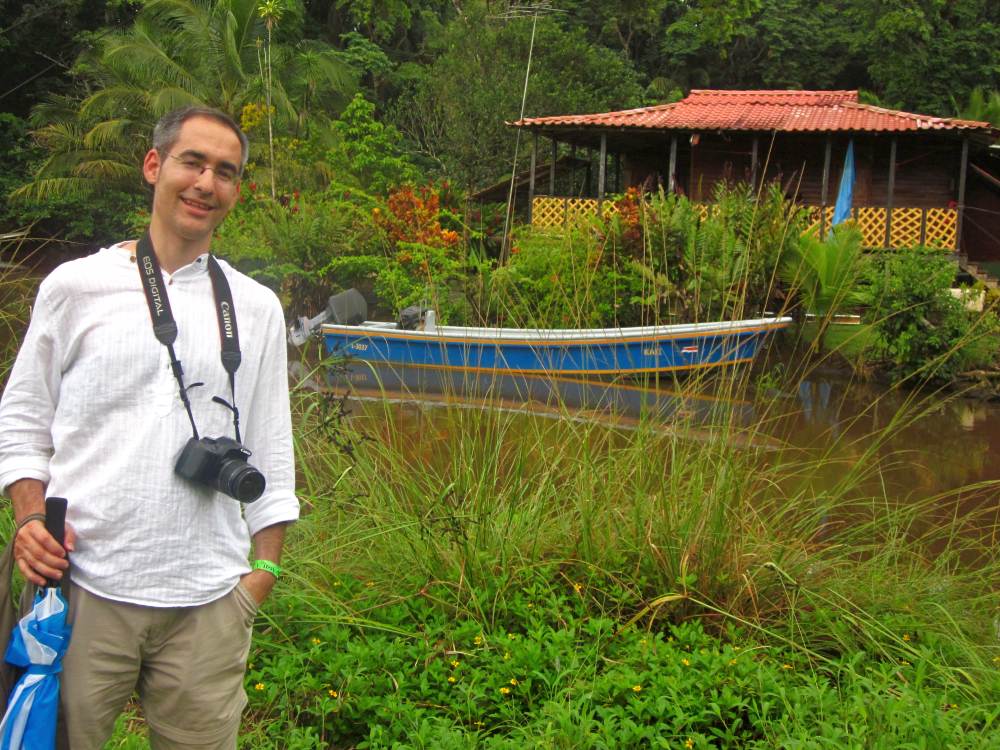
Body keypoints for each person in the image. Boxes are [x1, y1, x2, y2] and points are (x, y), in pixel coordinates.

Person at [0, 106, 299, 748]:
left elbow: (273, 446)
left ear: (236, 189)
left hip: (210, 600)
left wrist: (263, 573)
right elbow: (22, 420)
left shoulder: (257, 307)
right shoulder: (75, 287)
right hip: (82, 590)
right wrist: (28, 519)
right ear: (154, 165)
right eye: (193, 162)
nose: (206, 183)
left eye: (226, 172)